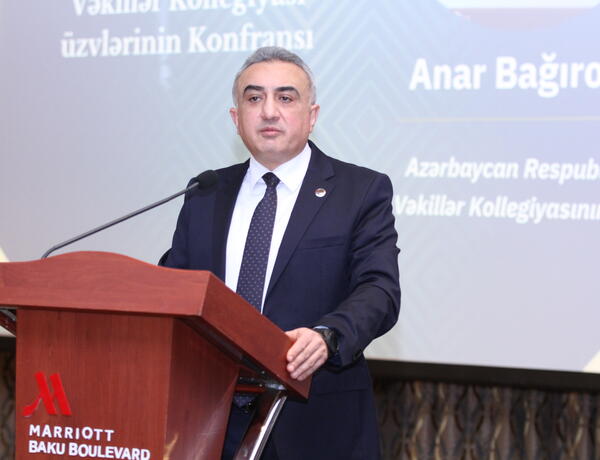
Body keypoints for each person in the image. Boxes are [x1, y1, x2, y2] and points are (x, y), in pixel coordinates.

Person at [162, 46, 400, 459]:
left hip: (315, 422)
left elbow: (379, 290)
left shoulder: (360, 191)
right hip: (208, 422)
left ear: (312, 114)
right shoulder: (206, 193)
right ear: (236, 118)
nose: (269, 111)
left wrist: (327, 336)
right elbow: (173, 288)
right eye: (254, 98)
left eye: (285, 98)